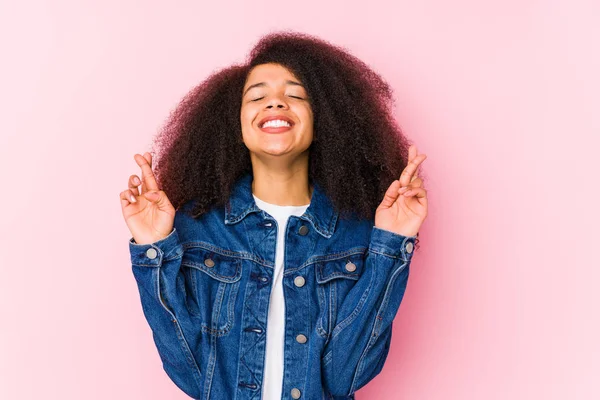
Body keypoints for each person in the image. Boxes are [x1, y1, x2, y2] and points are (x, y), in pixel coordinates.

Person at [120, 31, 428, 400]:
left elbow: (348, 374)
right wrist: (154, 247)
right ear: (234, 123)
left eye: (296, 95)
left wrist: (391, 245)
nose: (276, 103)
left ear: (324, 121)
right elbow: (191, 372)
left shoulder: (359, 232)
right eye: (257, 96)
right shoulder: (196, 227)